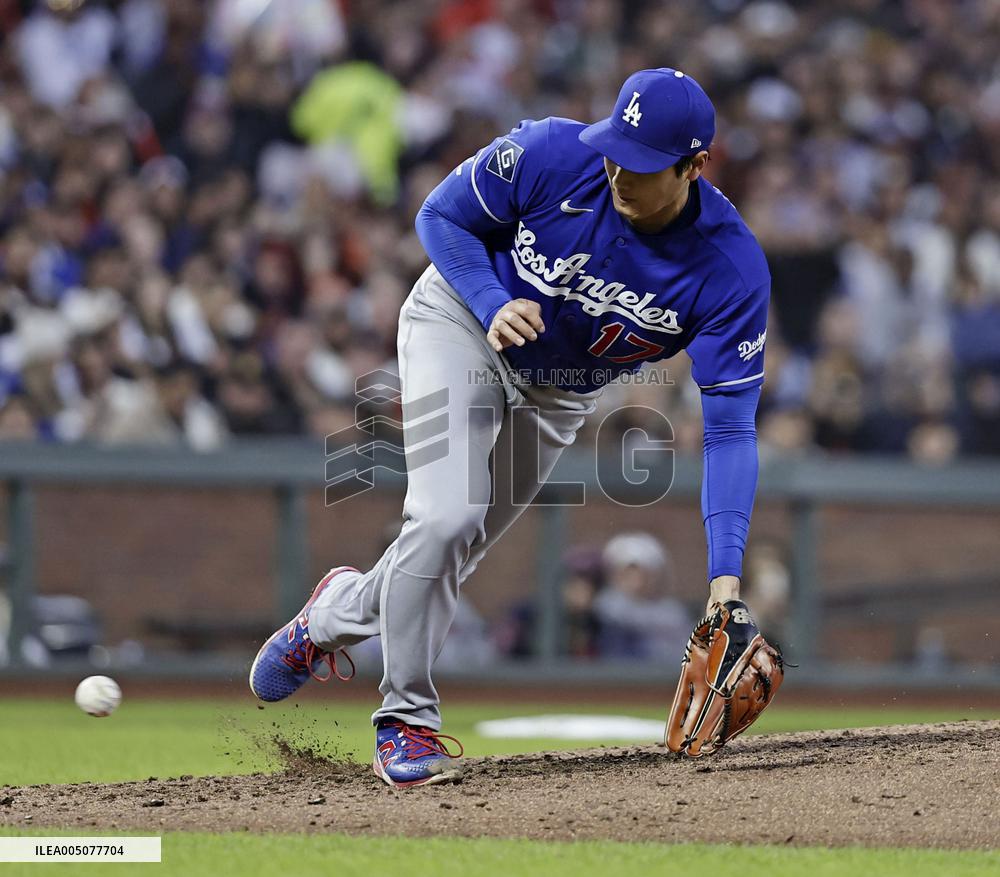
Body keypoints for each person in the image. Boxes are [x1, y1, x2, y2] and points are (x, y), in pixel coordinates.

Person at [250, 68, 770, 786]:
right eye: (617, 147)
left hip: (560, 392)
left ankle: (333, 612)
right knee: (442, 518)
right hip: (460, 322)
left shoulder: (730, 269)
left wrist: (724, 581)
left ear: (694, 164)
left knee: (448, 552)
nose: (620, 169)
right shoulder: (555, 153)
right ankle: (405, 722)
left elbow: (730, 432)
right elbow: (439, 215)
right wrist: (492, 298)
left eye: (644, 163)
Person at [594, 532, 691, 662]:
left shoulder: (672, 612)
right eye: (627, 573)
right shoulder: (605, 608)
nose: (635, 580)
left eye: (642, 573)